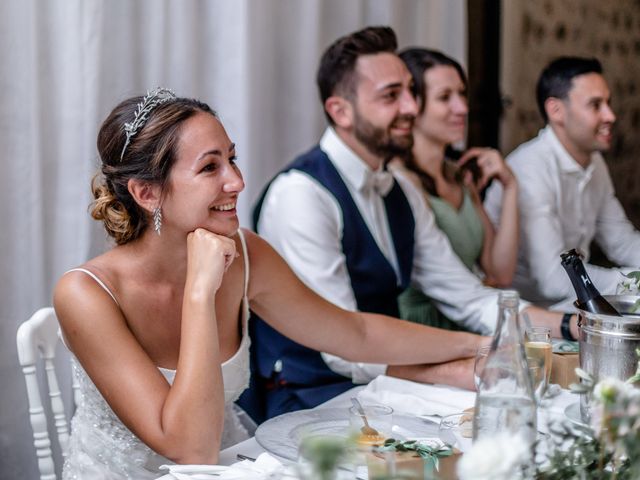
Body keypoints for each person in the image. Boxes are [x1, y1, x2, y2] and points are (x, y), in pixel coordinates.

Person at [53, 88, 490, 479]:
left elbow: (355, 334)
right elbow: (191, 449)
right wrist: (201, 293)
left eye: (232, 158)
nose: (237, 181)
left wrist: (477, 345)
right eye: (210, 167)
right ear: (147, 194)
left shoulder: (245, 254)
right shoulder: (86, 295)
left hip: (232, 464)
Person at [247, 26, 572, 421]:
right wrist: (462, 368)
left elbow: (467, 297)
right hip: (309, 398)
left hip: (382, 387)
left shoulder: (400, 188)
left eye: (410, 92)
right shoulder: (301, 195)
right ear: (340, 111)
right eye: (391, 96)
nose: (410, 108)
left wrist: (574, 325)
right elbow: (343, 351)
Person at [484, 56, 640, 307]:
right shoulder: (530, 167)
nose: (610, 115)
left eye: (608, 103)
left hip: (572, 305)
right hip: (523, 315)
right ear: (556, 110)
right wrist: (633, 282)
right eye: (595, 105)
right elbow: (553, 280)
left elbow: (621, 242)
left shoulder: (594, 162)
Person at [389, 48, 519, 329]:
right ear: (413, 104)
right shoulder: (399, 181)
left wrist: (510, 187)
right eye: (445, 98)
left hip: (471, 319)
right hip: (422, 329)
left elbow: (500, 272)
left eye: (462, 94)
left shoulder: (460, 177)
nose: (462, 108)